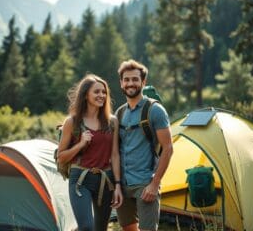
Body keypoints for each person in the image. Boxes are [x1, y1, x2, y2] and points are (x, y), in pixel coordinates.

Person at [57, 74, 123, 231]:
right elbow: (61, 157)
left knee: (101, 228)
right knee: (86, 227)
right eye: (96, 92)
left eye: (104, 92)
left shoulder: (112, 121)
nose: (101, 95)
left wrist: (118, 185)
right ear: (86, 95)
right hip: (80, 180)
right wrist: (80, 144)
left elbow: (114, 155)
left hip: (105, 180)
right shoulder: (72, 122)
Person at [116, 59, 173, 231]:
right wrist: (117, 184)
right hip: (123, 185)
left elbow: (168, 148)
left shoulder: (155, 110)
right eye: (126, 80)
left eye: (134, 79)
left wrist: (155, 184)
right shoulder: (119, 113)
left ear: (143, 82)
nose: (130, 83)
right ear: (121, 83)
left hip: (145, 184)